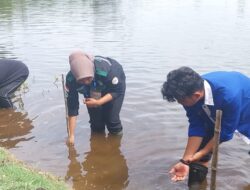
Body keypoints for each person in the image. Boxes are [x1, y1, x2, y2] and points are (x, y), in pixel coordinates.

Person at [161, 66, 250, 186]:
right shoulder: (188, 93)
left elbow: (224, 132)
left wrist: (202, 152)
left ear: (196, 95)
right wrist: (185, 160)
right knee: (197, 158)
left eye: (180, 100)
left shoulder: (228, 96)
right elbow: (196, 124)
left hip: (245, 104)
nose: (179, 102)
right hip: (221, 102)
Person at [66, 51, 126, 145]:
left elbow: (117, 91)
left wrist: (99, 102)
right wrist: (71, 135)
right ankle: (98, 147)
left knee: (112, 120)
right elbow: (72, 107)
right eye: (82, 80)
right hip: (93, 89)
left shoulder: (107, 70)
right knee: (96, 124)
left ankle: (116, 148)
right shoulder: (71, 79)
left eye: (88, 78)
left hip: (112, 87)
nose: (86, 82)